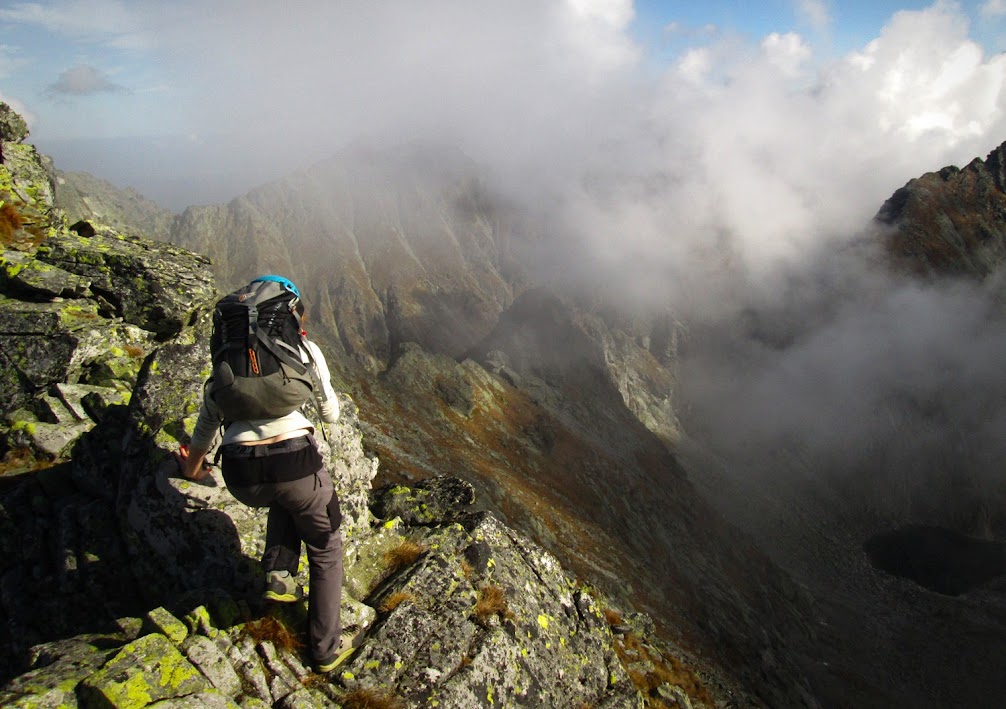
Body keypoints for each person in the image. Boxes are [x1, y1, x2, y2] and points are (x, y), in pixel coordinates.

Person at [178, 275, 353, 672]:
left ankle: (279, 575)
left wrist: (192, 469)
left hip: (242, 475)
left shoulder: (227, 358)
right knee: (326, 548)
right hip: (295, 464)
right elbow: (330, 414)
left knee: (284, 500)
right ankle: (325, 651)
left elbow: (207, 424)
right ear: (293, 319)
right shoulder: (305, 350)